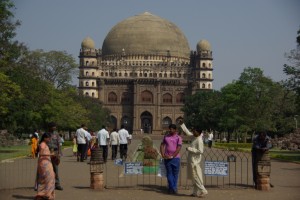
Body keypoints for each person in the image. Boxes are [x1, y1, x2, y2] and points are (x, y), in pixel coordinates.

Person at [179, 121, 208, 197]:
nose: (193, 132)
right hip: (191, 160)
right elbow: (188, 132)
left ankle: (203, 190)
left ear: (198, 132)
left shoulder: (199, 140)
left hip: (195, 161)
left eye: (194, 131)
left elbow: (200, 151)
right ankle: (195, 192)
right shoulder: (194, 137)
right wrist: (182, 124)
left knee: (195, 177)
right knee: (193, 177)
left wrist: (190, 149)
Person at [160, 124, 182, 195]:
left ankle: (172, 188)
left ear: (175, 130)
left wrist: (173, 156)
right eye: (170, 129)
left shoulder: (178, 138)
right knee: (169, 174)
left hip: (176, 158)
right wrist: (163, 155)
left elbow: (178, 148)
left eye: (172, 129)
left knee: (175, 174)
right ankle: (173, 188)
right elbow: (162, 145)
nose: (170, 130)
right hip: (167, 158)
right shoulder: (166, 137)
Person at [35, 132, 55, 200]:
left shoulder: (45, 144)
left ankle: (45, 194)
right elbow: (41, 154)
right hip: (44, 163)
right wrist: (51, 155)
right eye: (48, 138)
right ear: (44, 138)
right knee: (48, 178)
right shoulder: (42, 144)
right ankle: (45, 194)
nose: (49, 139)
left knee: (46, 178)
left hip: (46, 162)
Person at [46, 122, 63, 191]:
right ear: (50, 127)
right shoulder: (46, 134)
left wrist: (59, 153)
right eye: (53, 126)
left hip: (55, 152)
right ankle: (48, 184)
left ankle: (57, 184)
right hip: (47, 153)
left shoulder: (56, 134)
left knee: (55, 169)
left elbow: (59, 144)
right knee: (47, 169)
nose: (55, 128)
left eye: (55, 126)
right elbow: (43, 143)